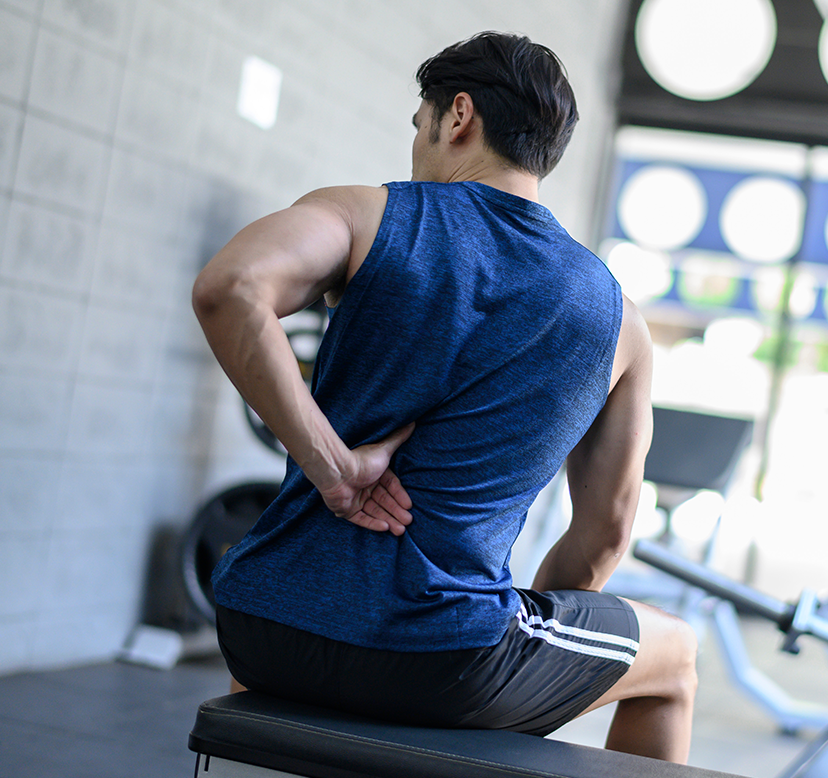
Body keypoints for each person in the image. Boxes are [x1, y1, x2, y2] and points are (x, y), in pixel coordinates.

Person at [192, 31, 697, 764]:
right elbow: (605, 536)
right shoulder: (621, 322)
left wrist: (333, 470)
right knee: (677, 656)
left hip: (259, 624)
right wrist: (522, 637)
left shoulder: (364, 216)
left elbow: (230, 288)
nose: (417, 152)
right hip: (445, 662)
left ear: (457, 116)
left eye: (418, 129)